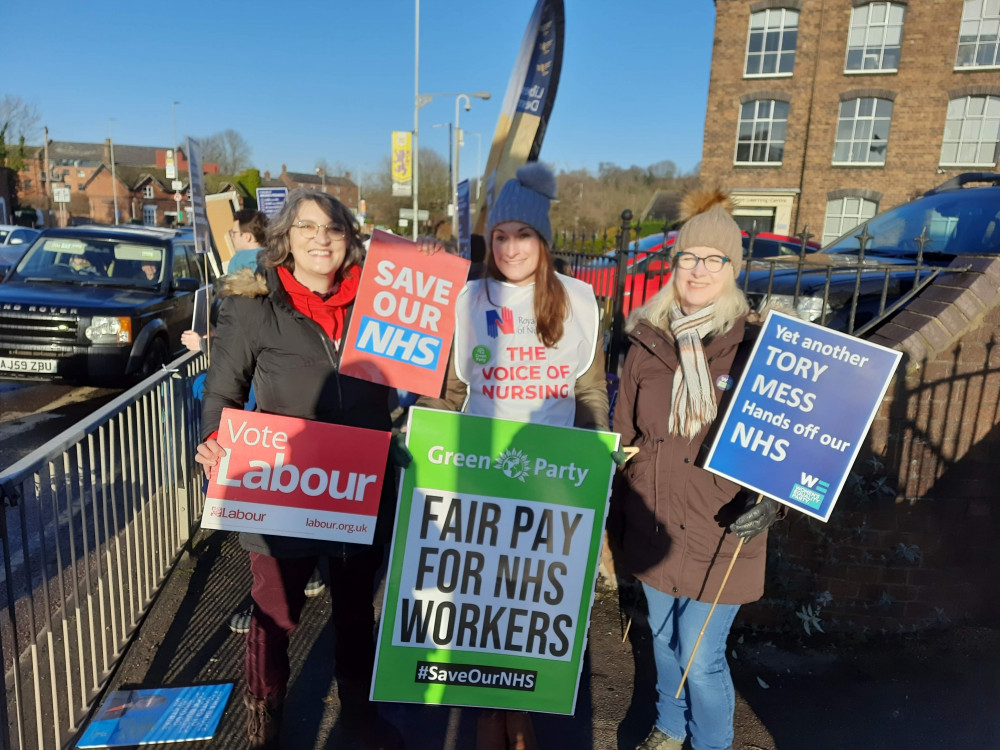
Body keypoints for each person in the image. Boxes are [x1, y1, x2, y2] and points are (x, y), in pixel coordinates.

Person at [193, 188, 401, 750]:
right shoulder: (254, 304)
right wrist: (214, 438)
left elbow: (424, 376)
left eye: (333, 229)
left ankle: (359, 715)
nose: (320, 239)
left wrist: (430, 256)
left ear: (350, 240)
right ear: (286, 237)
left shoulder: (383, 305)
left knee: (357, 611)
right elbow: (223, 390)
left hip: (361, 482)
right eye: (307, 227)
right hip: (281, 481)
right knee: (275, 612)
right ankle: (266, 722)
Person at [418, 162, 609, 750]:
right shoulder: (468, 298)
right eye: (499, 236)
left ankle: (520, 705)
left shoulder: (577, 300)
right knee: (477, 596)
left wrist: (593, 459)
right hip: (476, 473)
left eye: (521, 235)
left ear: (543, 239)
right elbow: (450, 392)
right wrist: (422, 445)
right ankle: (484, 708)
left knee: (531, 598)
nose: (509, 247)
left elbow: (589, 390)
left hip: (547, 476)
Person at [609, 190, 782, 750]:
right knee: (663, 642)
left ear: (734, 269)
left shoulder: (757, 347)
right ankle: (667, 723)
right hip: (656, 523)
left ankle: (710, 745)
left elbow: (786, 446)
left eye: (715, 259)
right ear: (674, 265)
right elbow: (625, 434)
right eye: (689, 257)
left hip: (721, 528)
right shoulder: (645, 344)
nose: (699, 270)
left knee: (701, 657)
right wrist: (614, 469)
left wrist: (771, 501)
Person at [226, 208, 269, 274]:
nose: (231, 237)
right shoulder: (276, 256)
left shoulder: (238, 260)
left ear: (247, 237)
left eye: (234, 233)